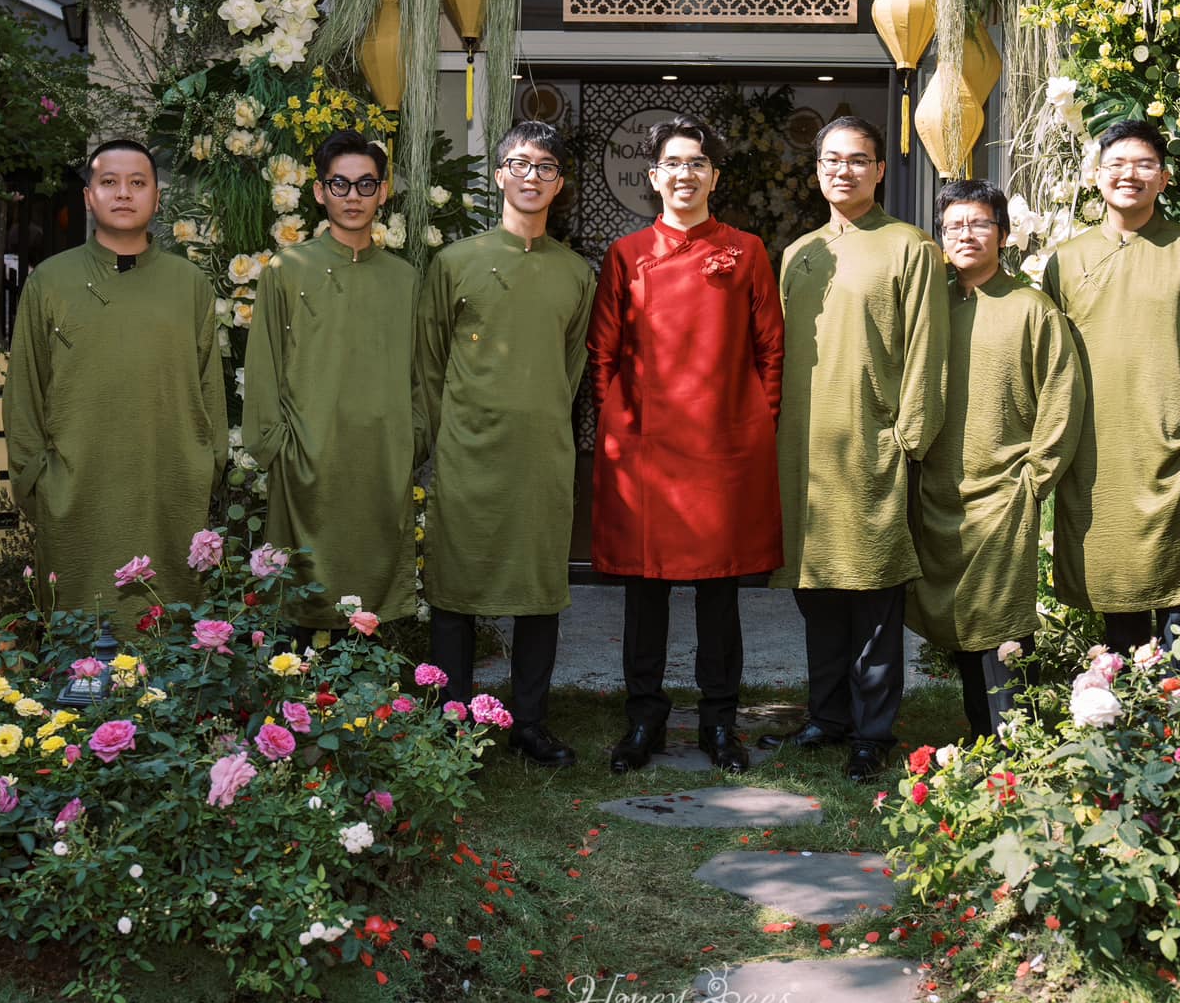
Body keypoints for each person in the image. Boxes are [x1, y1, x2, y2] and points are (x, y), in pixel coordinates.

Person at [589, 115, 784, 774]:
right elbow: (603, 353)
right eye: (672, 163)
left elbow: (770, 349)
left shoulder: (746, 250)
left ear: (714, 177)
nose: (685, 174)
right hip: (646, 447)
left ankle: (719, 722)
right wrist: (620, 427)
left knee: (718, 596)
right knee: (644, 595)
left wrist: (755, 424)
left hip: (723, 446)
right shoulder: (626, 254)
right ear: (653, 177)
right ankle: (643, 718)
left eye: (697, 163)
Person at [770, 116, 948, 781]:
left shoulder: (910, 247)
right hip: (805, 447)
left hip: (875, 442)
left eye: (857, 160)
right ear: (816, 170)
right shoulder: (800, 253)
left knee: (874, 592)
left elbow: (928, 349)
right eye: (831, 160)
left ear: (879, 170)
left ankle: (873, 730)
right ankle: (827, 714)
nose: (842, 170)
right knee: (816, 590)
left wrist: (909, 436)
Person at [415, 121, 596, 767]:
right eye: (519, 163)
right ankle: (452, 719)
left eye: (545, 166)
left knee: (538, 588)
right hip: (465, 452)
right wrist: (440, 440)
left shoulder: (575, 273)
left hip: (541, 455)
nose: (531, 176)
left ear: (560, 184)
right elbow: (429, 364)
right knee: (454, 586)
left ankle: (530, 723)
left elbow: (571, 367)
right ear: (498, 175)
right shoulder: (453, 263)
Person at [3, 140, 226, 621]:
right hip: (76, 494)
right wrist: (39, 482)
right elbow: (24, 393)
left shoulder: (190, 284)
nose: (123, 193)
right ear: (88, 197)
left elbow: (210, 389)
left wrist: (207, 467)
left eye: (137, 183)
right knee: (80, 639)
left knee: (170, 638)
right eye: (109, 182)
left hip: (169, 489)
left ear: (157, 199)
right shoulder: (50, 281)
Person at [1042, 120, 1180, 653]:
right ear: (1096, 176)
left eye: (1144, 164)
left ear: (1164, 178)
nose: (1129, 175)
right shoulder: (1067, 260)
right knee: (1116, 580)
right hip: (1097, 444)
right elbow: (1050, 361)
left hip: (1175, 442)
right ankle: (1119, 690)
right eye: (1117, 164)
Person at [910, 179, 1085, 740]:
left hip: (1007, 487)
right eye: (954, 226)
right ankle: (983, 734)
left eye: (979, 223)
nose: (966, 234)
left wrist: (1035, 477)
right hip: (937, 488)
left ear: (1004, 235)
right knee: (963, 617)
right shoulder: (931, 305)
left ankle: (1018, 739)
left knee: (1002, 618)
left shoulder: (1031, 308)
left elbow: (1062, 395)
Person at [243, 129, 419, 644]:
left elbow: (422, 372)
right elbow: (264, 364)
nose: (353, 197)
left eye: (366, 185)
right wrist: (278, 446)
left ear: (383, 192)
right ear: (319, 192)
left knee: (372, 609)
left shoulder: (404, 279)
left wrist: (412, 436)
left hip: (380, 461)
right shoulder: (287, 269)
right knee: (299, 611)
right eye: (340, 184)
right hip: (306, 461)